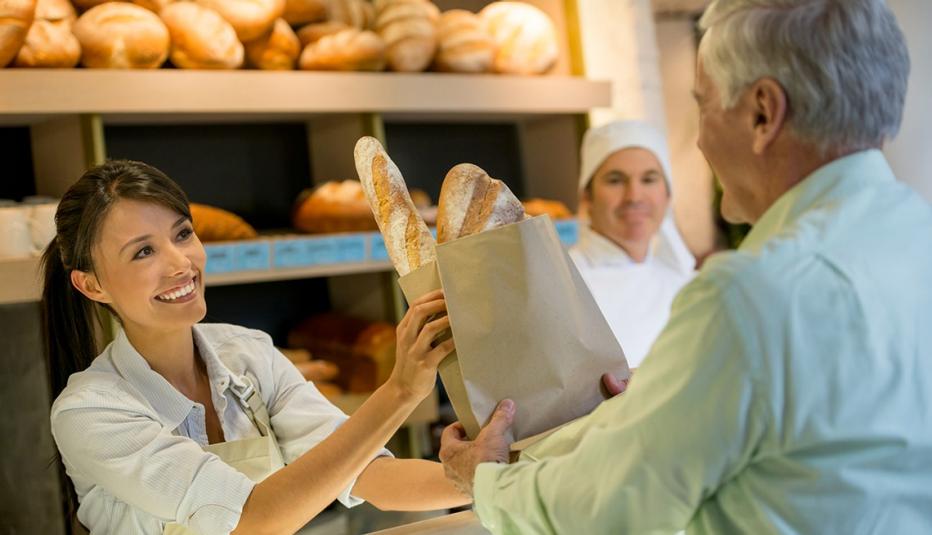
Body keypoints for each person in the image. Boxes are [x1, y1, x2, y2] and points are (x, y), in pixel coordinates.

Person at [439, 0, 932, 533]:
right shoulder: (916, 238)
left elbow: (605, 507)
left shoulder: (750, 295)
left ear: (763, 113)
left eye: (704, 105)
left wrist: (486, 478)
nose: (698, 141)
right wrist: (657, 408)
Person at [43, 160, 467, 534]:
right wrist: (401, 391)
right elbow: (252, 520)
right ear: (91, 284)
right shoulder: (90, 411)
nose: (180, 263)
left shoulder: (248, 354)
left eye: (183, 234)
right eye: (144, 252)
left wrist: (496, 482)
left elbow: (369, 475)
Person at [570, 120, 696, 367]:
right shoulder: (563, 285)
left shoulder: (689, 285)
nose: (634, 196)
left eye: (649, 179)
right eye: (615, 180)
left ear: (667, 194)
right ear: (587, 196)